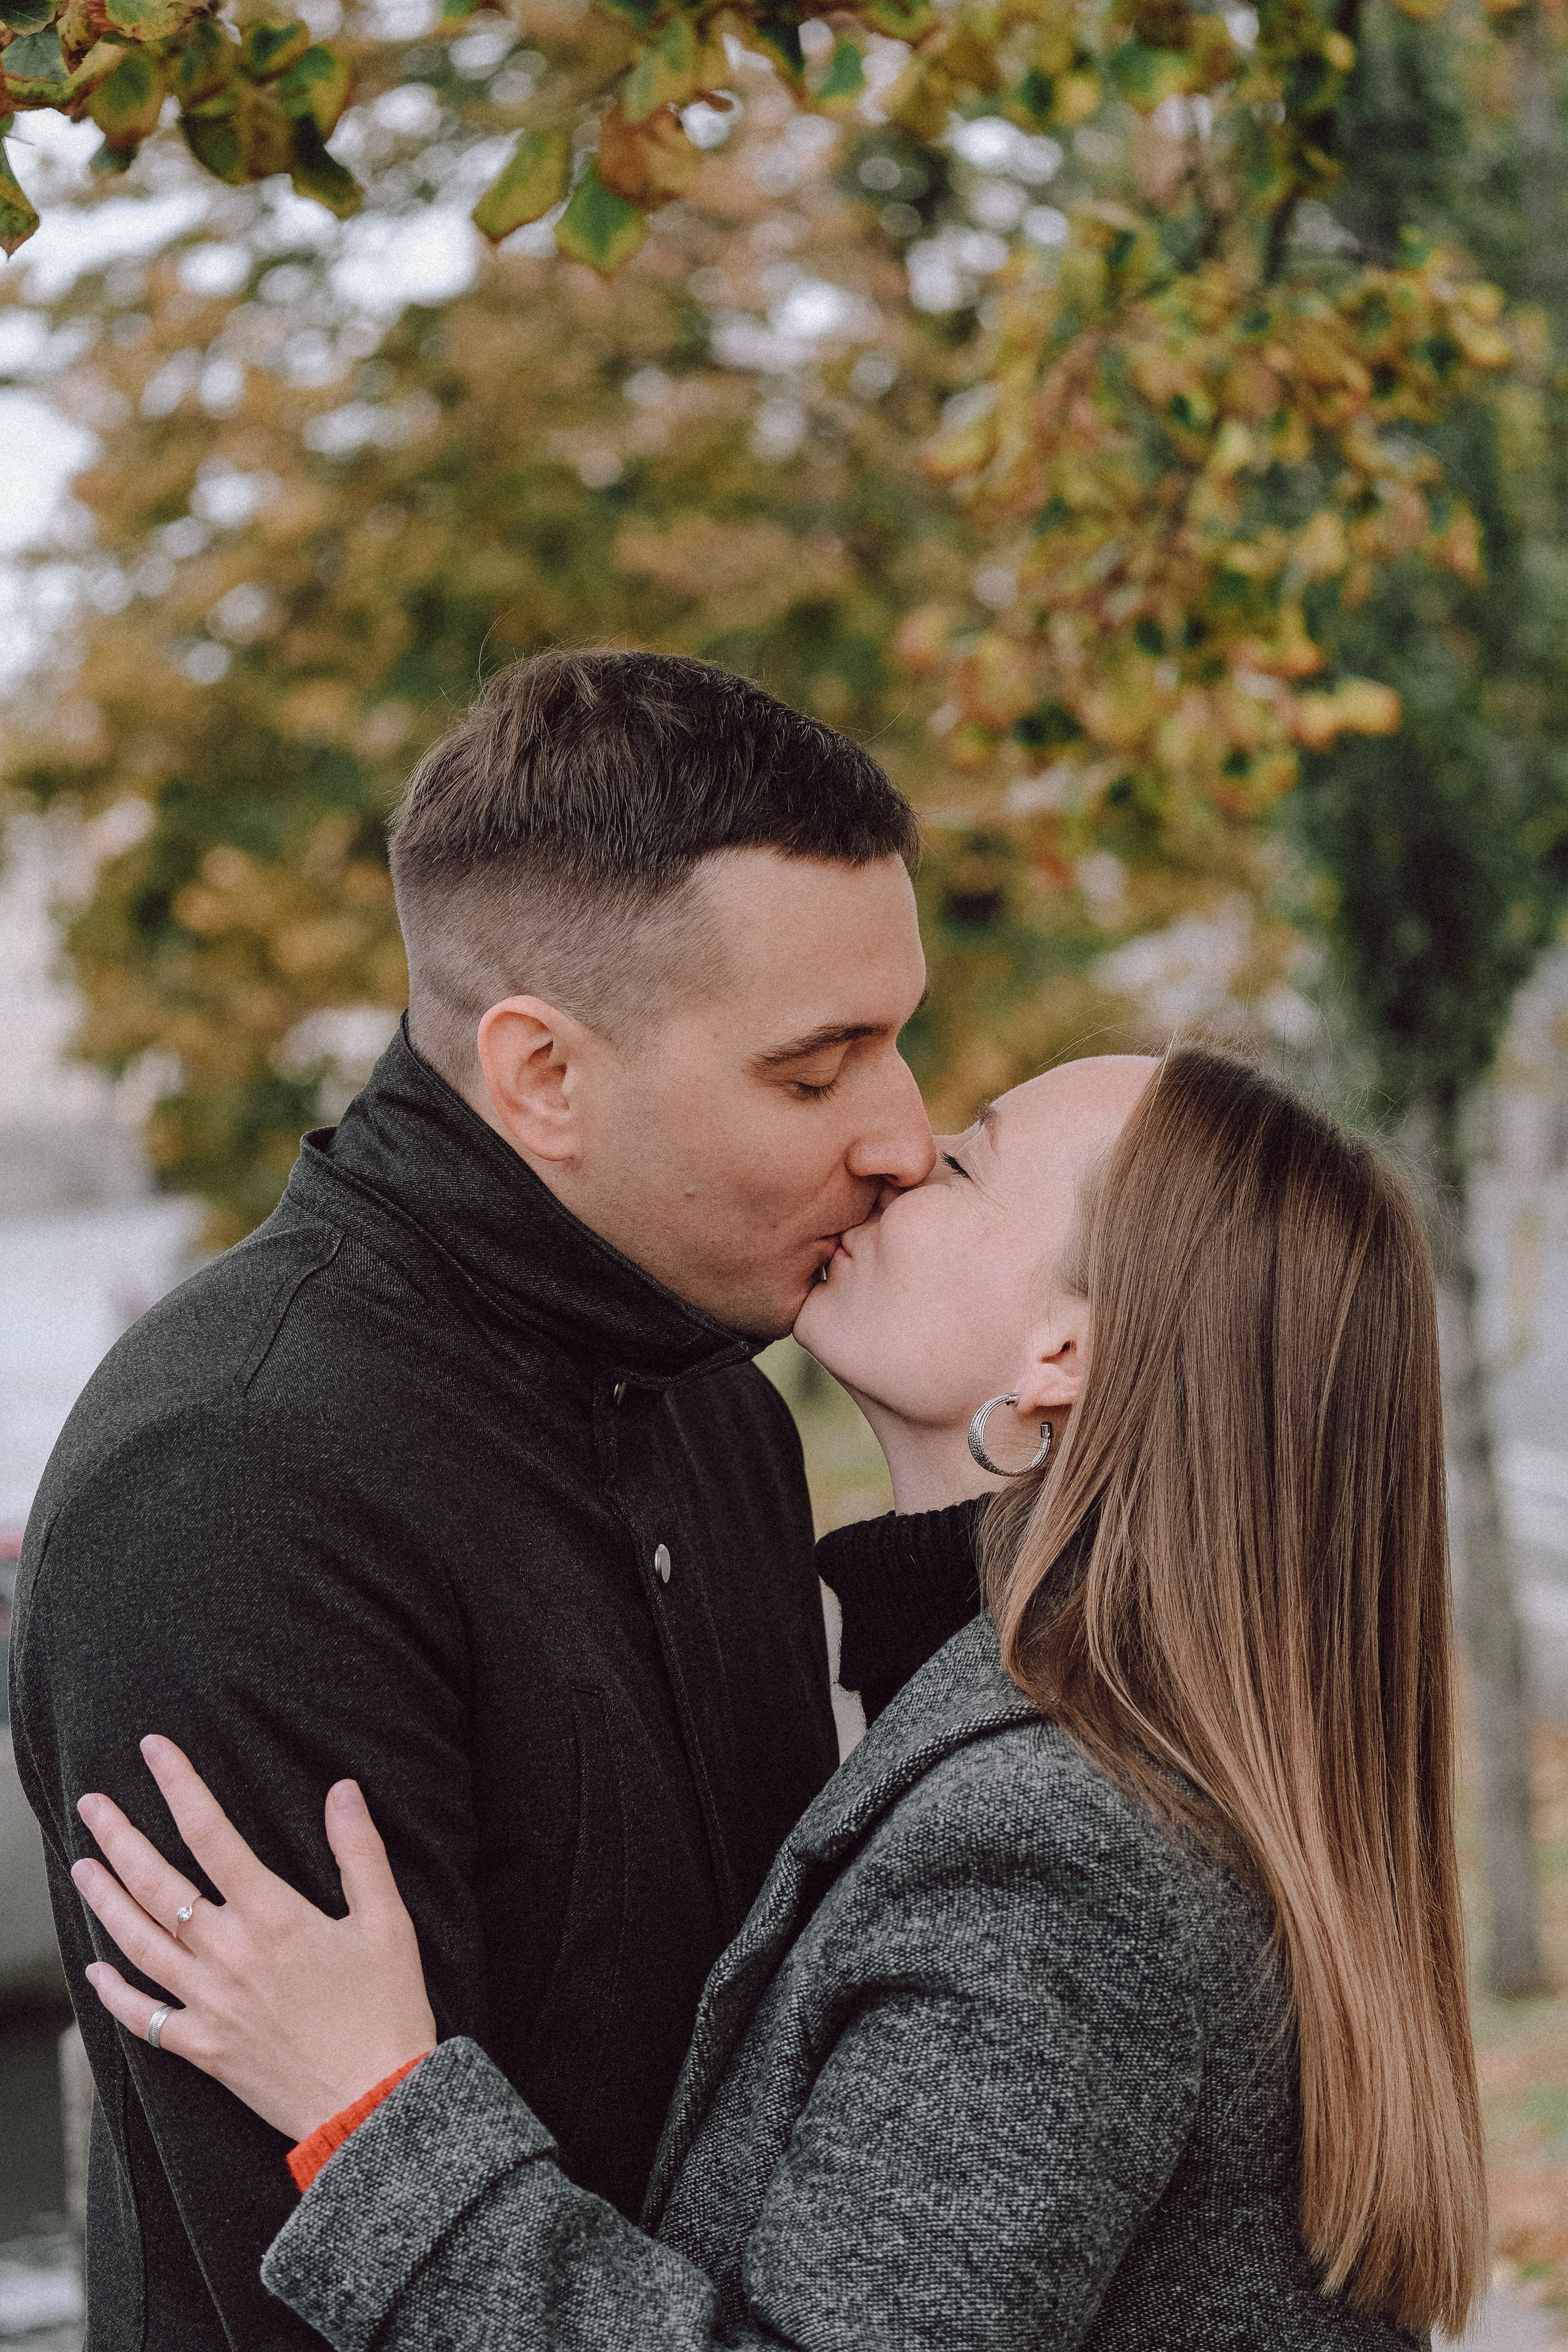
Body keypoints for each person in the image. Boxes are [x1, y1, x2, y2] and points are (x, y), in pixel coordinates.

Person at [72, 1048, 1489, 2350]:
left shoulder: (1053, 1856)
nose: (891, 1153)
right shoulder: (1064, 1756)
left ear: (1064, 1360)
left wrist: (369, 2118)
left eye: (962, 1164)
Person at [9, 649, 946, 2350]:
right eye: (817, 1073)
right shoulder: (236, 1493)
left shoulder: (721, 1405)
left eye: (901, 1042)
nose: (901, 1132)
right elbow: (302, 2290)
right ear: (541, 1077)